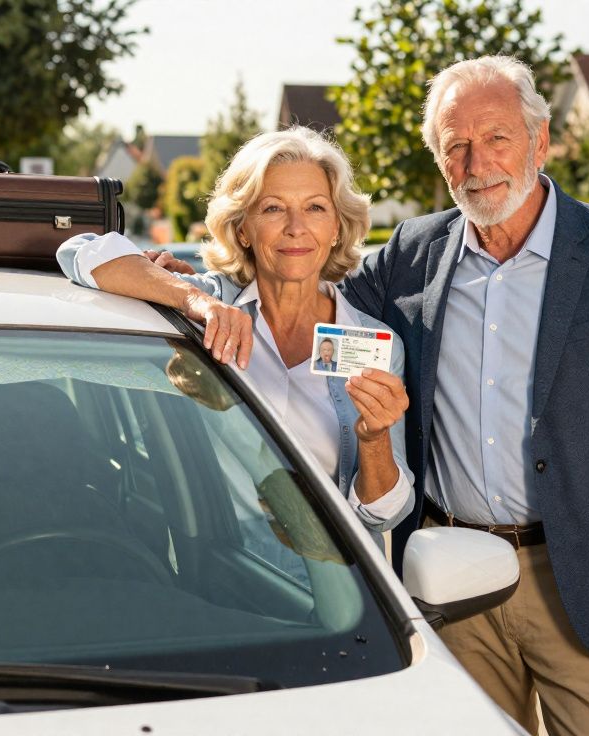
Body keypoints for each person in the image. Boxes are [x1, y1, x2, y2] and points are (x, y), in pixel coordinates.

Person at [153, 57, 589, 734]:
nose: (477, 162)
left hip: (585, 587)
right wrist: (184, 288)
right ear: (440, 160)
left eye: (497, 138)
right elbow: (296, 280)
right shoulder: (413, 255)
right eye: (456, 145)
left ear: (540, 142)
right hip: (452, 585)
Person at [55, 127, 414, 552]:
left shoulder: (375, 345)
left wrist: (374, 440)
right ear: (243, 229)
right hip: (219, 566)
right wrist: (195, 302)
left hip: (331, 588)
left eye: (315, 208)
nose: (296, 228)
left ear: (337, 226)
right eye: (273, 208)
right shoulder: (208, 309)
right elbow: (80, 251)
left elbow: (384, 513)